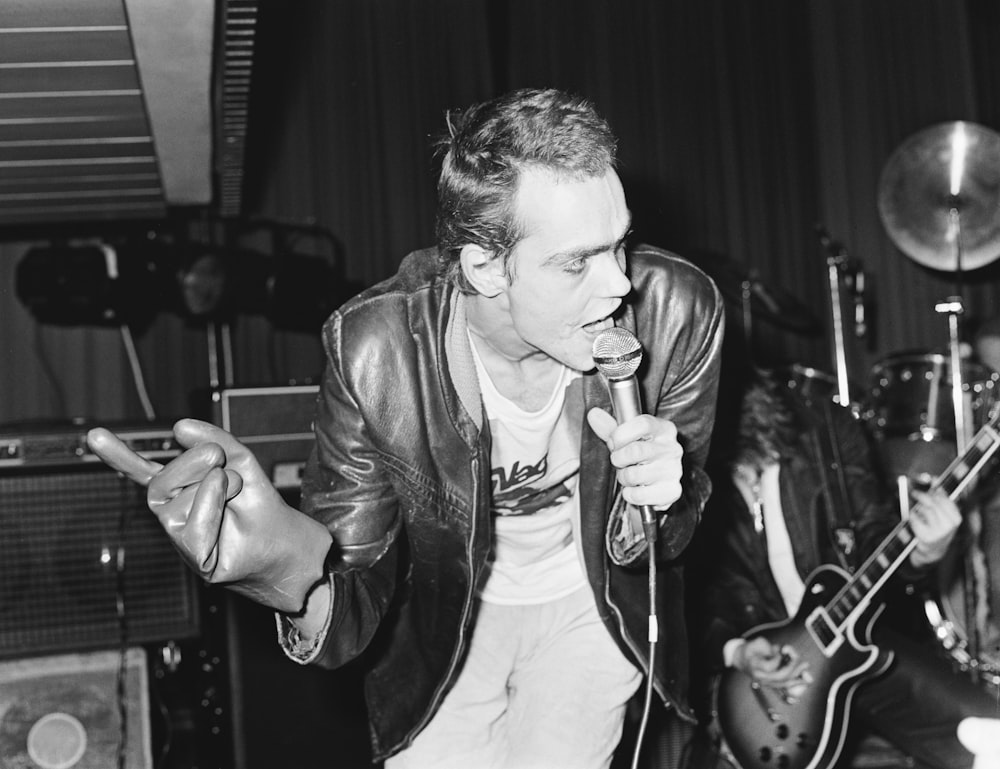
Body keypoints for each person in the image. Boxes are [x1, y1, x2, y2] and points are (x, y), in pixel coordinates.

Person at [86, 87, 725, 768]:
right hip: (445, 620)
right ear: (484, 266)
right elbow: (354, 583)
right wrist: (284, 574)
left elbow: (666, 542)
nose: (618, 285)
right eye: (577, 261)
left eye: (618, 244)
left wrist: (667, 494)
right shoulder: (375, 348)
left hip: (587, 605)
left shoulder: (678, 310)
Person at [685, 368, 999, 769]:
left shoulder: (825, 429)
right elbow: (706, 590)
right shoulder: (692, 462)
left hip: (851, 639)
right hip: (760, 681)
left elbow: (873, 533)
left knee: (985, 732)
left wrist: (923, 552)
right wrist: (737, 650)